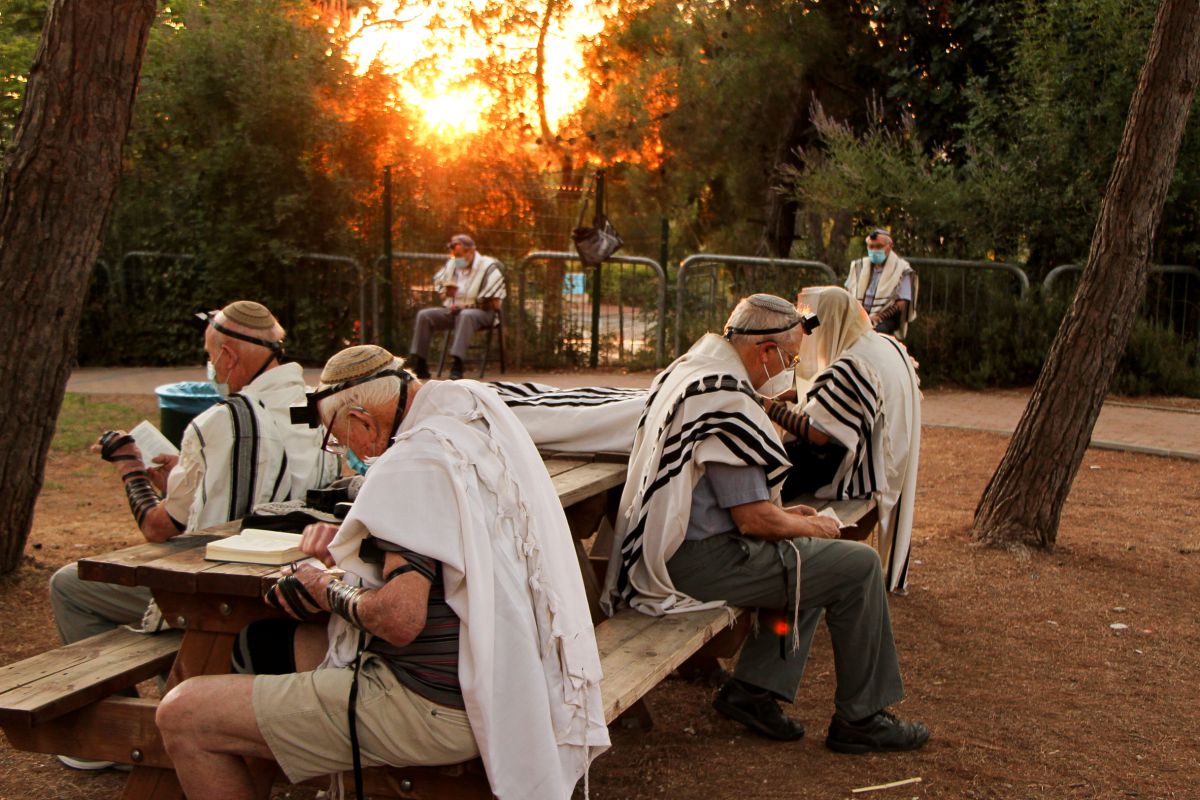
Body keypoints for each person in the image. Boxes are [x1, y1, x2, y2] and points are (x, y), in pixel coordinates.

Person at [156, 345, 608, 800]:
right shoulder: (468, 425)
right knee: (264, 647)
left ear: (364, 422)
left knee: (183, 714)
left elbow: (400, 619)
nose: (344, 450)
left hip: (440, 703)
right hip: (512, 683)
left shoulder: (411, 463)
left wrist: (326, 589)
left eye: (339, 437)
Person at [601, 293, 928, 753]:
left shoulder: (696, 371)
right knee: (857, 567)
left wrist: (789, 518)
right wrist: (807, 526)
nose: (790, 368)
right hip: (693, 561)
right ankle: (862, 717)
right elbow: (753, 520)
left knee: (820, 564)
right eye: (790, 358)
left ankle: (753, 691)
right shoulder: (727, 400)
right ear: (766, 350)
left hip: (670, 547)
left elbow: (731, 501)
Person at [49, 301, 338, 757]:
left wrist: (129, 465)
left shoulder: (219, 421)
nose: (211, 366)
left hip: (216, 594)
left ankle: (111, 739)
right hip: (289, 587)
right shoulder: (317, 407)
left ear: (228, 355)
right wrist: (181, 479)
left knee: (68, 585)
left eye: (210, 354)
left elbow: (158, 526)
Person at [762, 286, 922, 593]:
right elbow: (838, 398)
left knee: (765, 476)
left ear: (830, 321)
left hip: (856, 475)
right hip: (886, 461)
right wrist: (793, 395)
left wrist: (769, 408)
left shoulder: (853, 364)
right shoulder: (883, 345)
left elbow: (819, 432)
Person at [407, 234, 505, 380]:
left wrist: (466, 306)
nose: (456, 258)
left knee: (465, 315)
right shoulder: (452, 264)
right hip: (454, 310)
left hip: (482, 312)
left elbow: (496, 303)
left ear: (471, 251)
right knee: (424, 315)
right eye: (454, 255)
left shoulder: (488, 267)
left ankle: (457, 365)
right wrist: (446, 292)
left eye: (459, 255)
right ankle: (420, 364)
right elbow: (441, 289)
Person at [844, 229, 918, 337]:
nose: (874, 250)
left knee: (876, 333)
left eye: (879, 246)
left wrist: (878, 317)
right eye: (871, 247)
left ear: (890, 246)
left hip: (885, 319)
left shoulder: (901, 269)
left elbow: (902, 303)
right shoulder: (858, 266)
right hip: (859, 315)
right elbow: (847, 292)